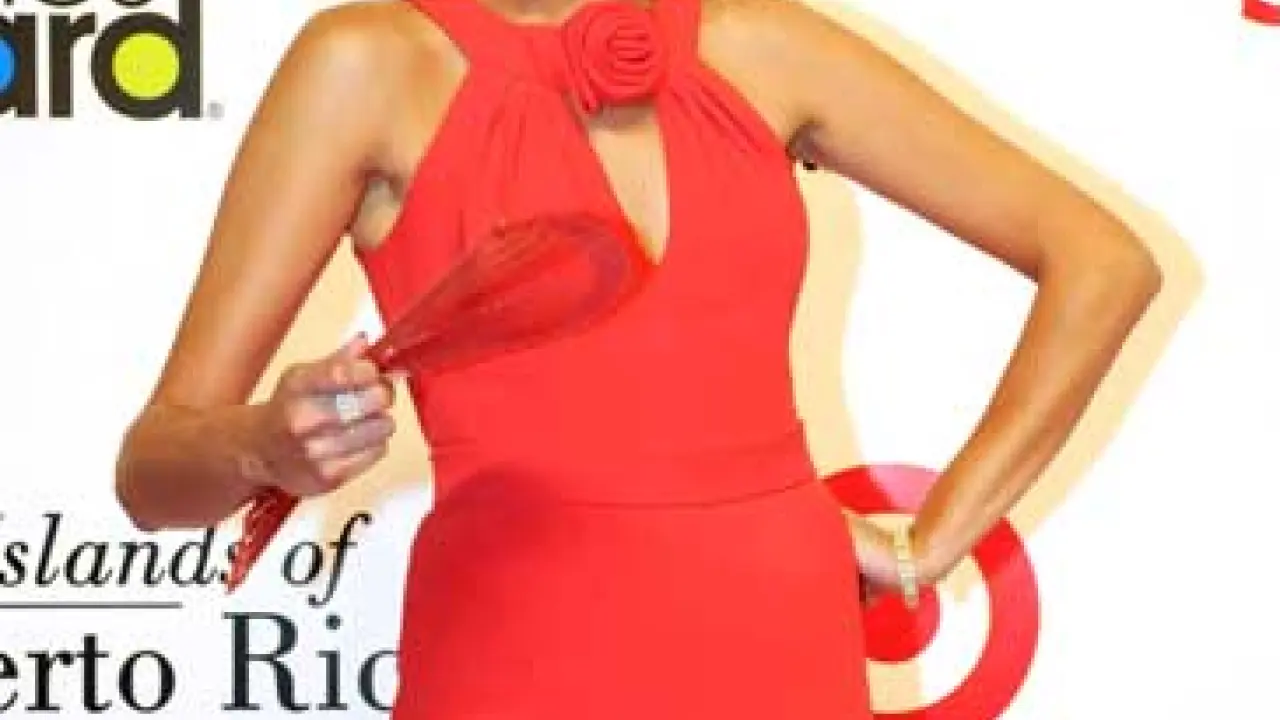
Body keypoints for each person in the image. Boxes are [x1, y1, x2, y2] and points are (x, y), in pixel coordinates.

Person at [113, 0, 1162, 716]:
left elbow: (1102, 263)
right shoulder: (368, 60)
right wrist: (263, 446)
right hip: (518, 653)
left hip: (780, 649)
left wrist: (926, 547)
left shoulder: (763, 42)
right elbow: (153, 473)